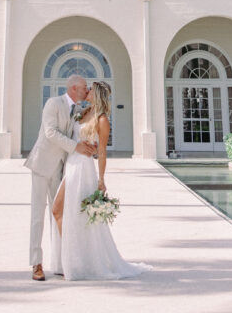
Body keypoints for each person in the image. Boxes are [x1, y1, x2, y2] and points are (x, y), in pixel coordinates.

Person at [51, 81, 150, 281]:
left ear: (97, 95)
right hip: (71, 164)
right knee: (62, 212)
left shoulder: (102, 120)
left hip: (82, 168)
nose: (86, 91)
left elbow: (102, 151)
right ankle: (73, 260)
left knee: (61, 211)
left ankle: (74, 262)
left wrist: (102, 179)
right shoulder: (83, 112)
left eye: (90, 90)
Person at [25, 74, 96, 281]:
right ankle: (36, 263)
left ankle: (60, 261)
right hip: (42, 165)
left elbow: (79, 132)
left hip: (61, 169)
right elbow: (50, 132)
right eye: (84, 87)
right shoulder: (53, 103)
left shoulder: (78, 110)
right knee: (38, 215)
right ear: (74, 88)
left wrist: (90, 147)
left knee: (58, 214)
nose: (86, 90)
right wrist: (76, 147)